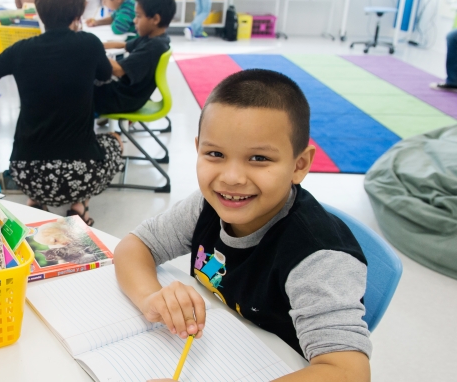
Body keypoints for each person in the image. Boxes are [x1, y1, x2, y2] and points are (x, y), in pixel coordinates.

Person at [116, 70, 371, 381]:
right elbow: (135, 245)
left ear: (299, 165)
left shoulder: (318, 256)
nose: (232, 177)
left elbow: (347, 372)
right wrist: (149, 297)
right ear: (198, 149)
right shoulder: (206, 206)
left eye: (259, 158)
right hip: (218, 351)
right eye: (215, 154)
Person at [0, 0, 124, 226]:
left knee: (42, 156)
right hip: (81, 172)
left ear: (39, 13)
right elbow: (103, 74)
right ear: (78, 13)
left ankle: (35, 200)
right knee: (114, 142)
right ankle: (79, 206)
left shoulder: (21, 49)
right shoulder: (89, 44)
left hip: (26, 172)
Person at [95, 0, 174, 115]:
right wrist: (100, 44)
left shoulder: (153, 47)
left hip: (124, 99)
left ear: (155, 19)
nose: (134, 20)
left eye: (138, 16)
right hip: (125, 93)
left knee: (79, 89)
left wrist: (92, 51)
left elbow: (118, 70)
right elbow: (123, 45)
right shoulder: (154, 38)